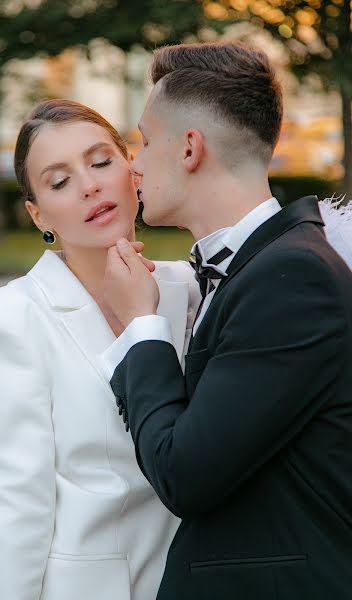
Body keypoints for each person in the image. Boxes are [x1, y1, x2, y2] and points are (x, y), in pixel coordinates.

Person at [102, 42, 352, 600]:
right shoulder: (260, 267)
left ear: (190, 148)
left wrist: (140, 326)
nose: (133, 164)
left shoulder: (292, 280)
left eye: (144, 140)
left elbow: (185, 473)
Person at [0, 99, 200, 600]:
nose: (89, 185)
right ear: (37, 213)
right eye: (59, 180)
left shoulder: (193, 291)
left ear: (132, 170)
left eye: (100, 161)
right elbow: (14, 519)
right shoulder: (6, 322)